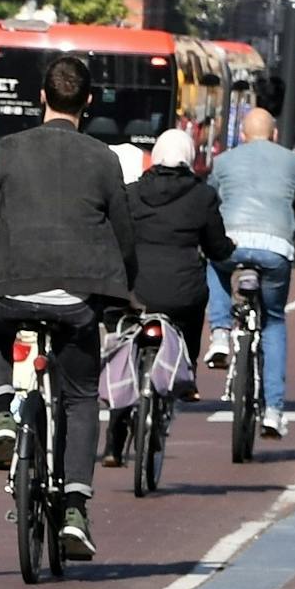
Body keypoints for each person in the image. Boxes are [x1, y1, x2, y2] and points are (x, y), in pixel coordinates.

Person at [0, 53, 135, 560]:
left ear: (41, 98)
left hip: (13, 287)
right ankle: (76, 507)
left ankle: (3, 413)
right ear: (90, 102)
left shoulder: (5, 153)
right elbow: (122, 235)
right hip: (77, 296)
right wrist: (126, 293)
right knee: (79, 398)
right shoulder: (104, 159)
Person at [208, 105, 295, 435]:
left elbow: (210, 206)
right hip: (275, 248)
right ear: (275, 135)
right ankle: (273, 411)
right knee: (273, 321)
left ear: (242, 136)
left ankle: (220, 333)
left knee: (214, 265)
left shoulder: (223, 161)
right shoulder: (292, 162)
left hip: (232, 243)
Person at [119, 126, 233, 394]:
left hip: (136, 291)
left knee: (122, 326)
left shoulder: (131, 193)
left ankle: (121, 387)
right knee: (195, 311)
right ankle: (187, 372)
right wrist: (228, 248)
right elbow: (216, 248)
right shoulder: (202, 195)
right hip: (183, 294)